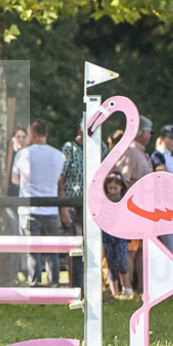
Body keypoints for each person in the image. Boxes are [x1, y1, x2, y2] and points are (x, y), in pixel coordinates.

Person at [12, 118, 70, 286]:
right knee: (52, 250)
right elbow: (59, 180)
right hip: (51, 210)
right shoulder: (58, 155)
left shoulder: (23, 154)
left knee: (33, 250)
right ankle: (54, 282)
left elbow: (15, 180)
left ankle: (35, 283)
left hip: (29, 210)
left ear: (33, 134)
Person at [61, 123, 109, 289]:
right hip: (74, 204)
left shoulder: (100, 147)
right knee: (76, 244)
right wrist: (63, 206)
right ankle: (75, 285)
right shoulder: (69, 148)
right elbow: (61, 179)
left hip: (94, 205)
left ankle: (95, 286)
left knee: (95, 245)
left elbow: (106, 175)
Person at [115, 115, 153, 291]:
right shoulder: (129, 152)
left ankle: (141, 288)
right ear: (139, 133)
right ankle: (127, 286)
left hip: (145, 209)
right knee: (130, 250)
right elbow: (122, 179)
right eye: (148, 131)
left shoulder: (141, 153)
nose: (151, 135)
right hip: (132, 208)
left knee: (141, 250)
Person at [151, 124, 173, 259]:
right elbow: (163, 175)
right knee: (171, 249)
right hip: (164, 207)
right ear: (163, 138)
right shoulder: (157, 155)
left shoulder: (172, 158)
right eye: (171, 138)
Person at [100, 173, 134, 300]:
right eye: (110, 188)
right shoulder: (104, 202)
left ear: (121, 187)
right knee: (111, 264)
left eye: (115, 188)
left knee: (121, 261)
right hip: (107, 237)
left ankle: (126, 286)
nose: (113, 191)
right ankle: (114, 292)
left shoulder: (125, 200)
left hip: (121, 237)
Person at [5, 126, 28, 281]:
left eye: (23, 136)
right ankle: (14, 271)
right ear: (13, 139)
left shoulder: (28, 155)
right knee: (14, 234)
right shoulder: (7, 156)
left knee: (26, 235)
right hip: (11, 201)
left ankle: (26, 270)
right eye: (17, 136)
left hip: (25, 201)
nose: (20, 139)